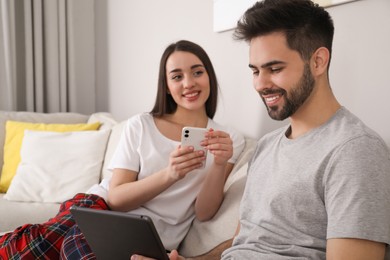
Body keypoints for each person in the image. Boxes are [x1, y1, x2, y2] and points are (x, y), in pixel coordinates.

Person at [133, 0, 390, 259]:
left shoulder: (355, 150)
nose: (260, 84)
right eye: (255, 71)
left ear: (318, 62)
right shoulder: (267, 146)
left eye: (275, 69)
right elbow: (245, 243)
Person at [0, 40, 245, 259]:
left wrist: (220, 164)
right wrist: (170, 174)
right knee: (26, 247)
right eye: (177, 76)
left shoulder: (229, 138)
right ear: (167, 86)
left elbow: (204, 213)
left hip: (152, 237)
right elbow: (116, 199)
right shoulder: (141, 124)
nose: (189, 83)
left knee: (72, 247)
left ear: (209, 77)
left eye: (197, 72)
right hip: (101, 209)